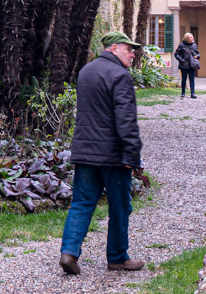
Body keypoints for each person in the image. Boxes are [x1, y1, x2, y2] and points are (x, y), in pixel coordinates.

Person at [61, 31, 148, 274]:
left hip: (85, 152)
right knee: (120, 206)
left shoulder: (86, 72)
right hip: (113, 155)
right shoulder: (120, 76)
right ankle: (118, 257)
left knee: (81, 203)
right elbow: (126, 120)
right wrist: (133, 156)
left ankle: (69, 253)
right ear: (113, 48)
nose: (132, 54)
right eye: (128, 49)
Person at [174, 32, 201, 97]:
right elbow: (176, 54)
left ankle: (193, 93)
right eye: (191, 37)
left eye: (193, 37)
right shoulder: (181, 45)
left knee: (192, 79)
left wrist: (197, 56)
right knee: (184, 79)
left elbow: (198, 54)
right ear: (187, 38)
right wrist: (181, 60)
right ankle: (183, 93)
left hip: (192, 64)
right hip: (184, 65)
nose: (193, 38)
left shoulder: (194, 45)